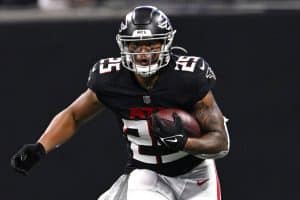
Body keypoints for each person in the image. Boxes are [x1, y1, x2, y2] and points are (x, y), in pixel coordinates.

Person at [11, 5, 230, 200]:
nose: (143, 54)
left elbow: (220, 142)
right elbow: (74, 115)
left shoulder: (187, 78)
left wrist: (184, 143)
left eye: (151, 45)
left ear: (166, 43)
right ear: (124, 46)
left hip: (197, 175)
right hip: (148, 173)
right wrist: (41, 147)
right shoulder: (110, 79)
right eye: (136, 46)